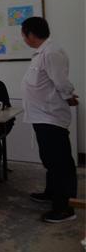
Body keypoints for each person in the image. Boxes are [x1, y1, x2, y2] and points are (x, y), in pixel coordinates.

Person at [21, 17, 78, 223]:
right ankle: (51, 193)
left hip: (50, 116)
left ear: (30, 34)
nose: (23, 38)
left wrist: (69, 97)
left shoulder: (52, 52)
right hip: (41, 116)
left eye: (24, 34)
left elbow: (61, 81)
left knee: (59, 162)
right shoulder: (42, 53)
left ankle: (64, 208)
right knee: (50, 159)